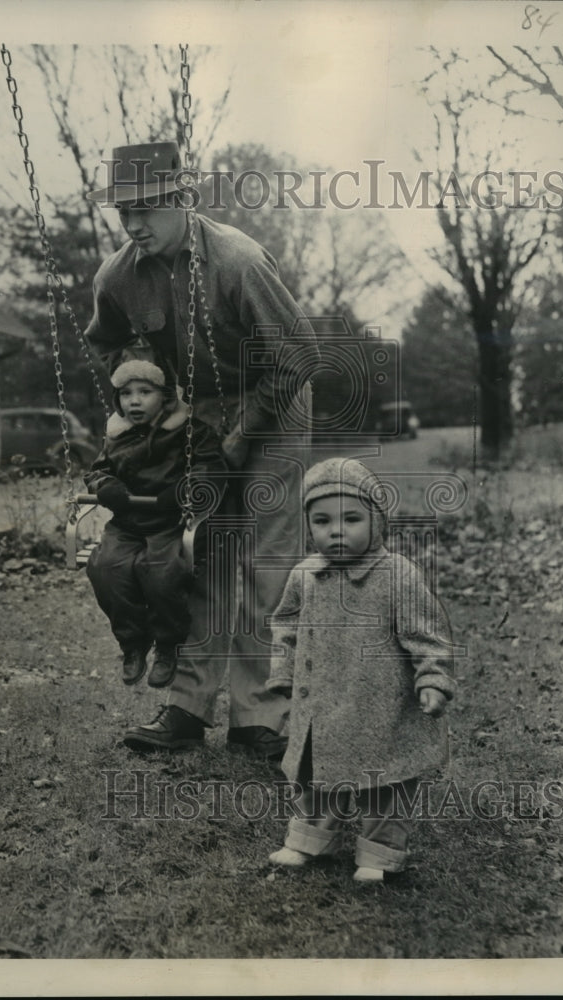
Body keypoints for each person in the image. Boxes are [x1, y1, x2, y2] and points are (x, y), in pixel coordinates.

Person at [85, 141, 319, 757]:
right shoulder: (116, 275)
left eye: (147, 209)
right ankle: (186, 710)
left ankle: (260, 717)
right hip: (199, 415)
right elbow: (105, 344)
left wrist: (243, 436)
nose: (134, 224)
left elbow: (299, 357)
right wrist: (143, 392)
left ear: (182, 201)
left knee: (267, 565)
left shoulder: (238, 262)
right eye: (122, 212)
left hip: (276, 404)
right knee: (200, 555)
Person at [266, 457, 456, 881]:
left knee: (384, 780)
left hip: (381, 706)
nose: (336, 530)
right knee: (316, 775)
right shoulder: (305, 575)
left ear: (378, 522)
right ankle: (307, 840)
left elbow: (429, 635)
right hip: (323, 706)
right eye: (322, 521)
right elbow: (287, 627)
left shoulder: (397, 576)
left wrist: (433, 679)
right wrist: (284, 673)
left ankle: (379, 853)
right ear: (309, 526)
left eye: (351, 518)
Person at [85, 359, 227, 691]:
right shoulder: (117, 437)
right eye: (125, 394)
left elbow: (210, 469)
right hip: (127, 524)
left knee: (161, 573)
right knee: (105, 568)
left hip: (172, 522)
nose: (133, 401)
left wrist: (180, 491)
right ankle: (133, 643)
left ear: (165, 397)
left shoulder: (190, 432)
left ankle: (167, 645)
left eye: (144, 392)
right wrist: (106, 486)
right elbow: (96, 471)